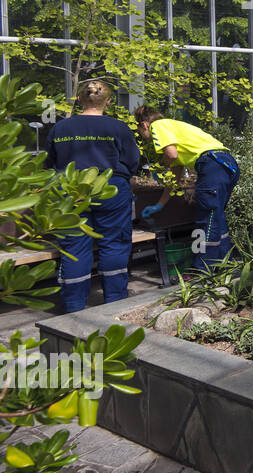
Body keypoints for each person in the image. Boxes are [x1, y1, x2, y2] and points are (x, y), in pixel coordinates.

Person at [45, 81, 140, 313]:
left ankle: (73, 307)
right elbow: (132, 161)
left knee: (74, 247)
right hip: (111, 189)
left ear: (78, 100)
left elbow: (49, 164)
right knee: (114, 244)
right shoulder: (118, 128)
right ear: (108, 102)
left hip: (70, 190)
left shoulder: (60, 128)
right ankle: (115, 303)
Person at [134, 105, 240, 272]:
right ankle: (225, 265)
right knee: (216, 218)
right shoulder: (175, 131)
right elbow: (174, 178)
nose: (143, 136)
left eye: (140, 131)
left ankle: (202, 271)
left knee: (206, 220)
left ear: (144, 125)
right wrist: (159, 205)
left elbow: (171, 155)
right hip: (227, 165)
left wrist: (160, 167)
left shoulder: (158, 125)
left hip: (212, 166)